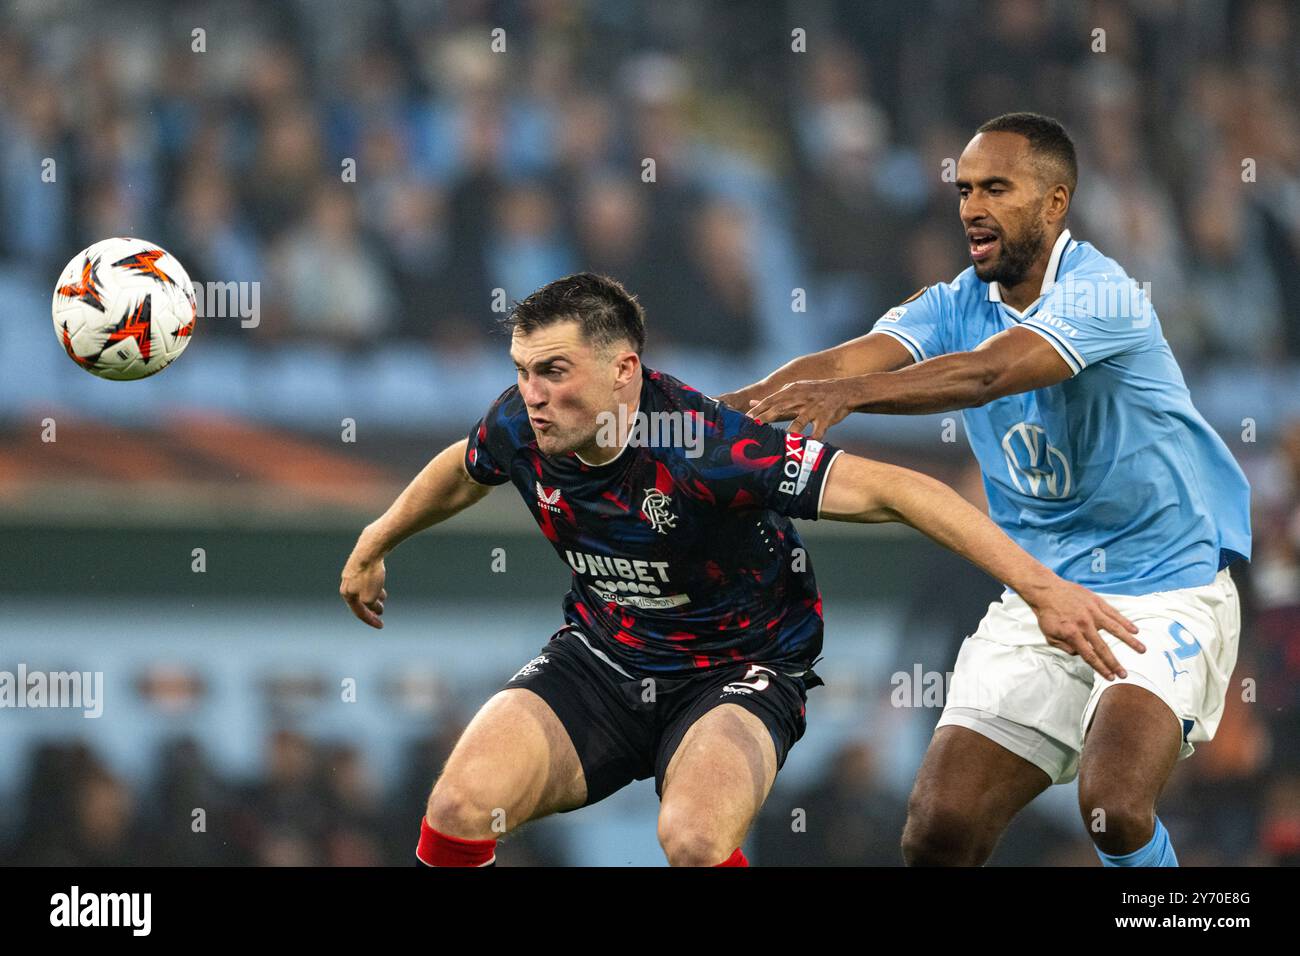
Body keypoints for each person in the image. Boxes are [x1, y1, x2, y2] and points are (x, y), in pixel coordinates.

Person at [341, 271, 1137, 867]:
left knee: (690, 838)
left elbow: (900, 489)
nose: (531, 394)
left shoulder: (709, 447)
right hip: (602, 658)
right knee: (458, 804)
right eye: (521, 370)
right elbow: (463, 466)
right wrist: (378, 537)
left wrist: (1043, 590)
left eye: (553, 371)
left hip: (737, 671)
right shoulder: (522, 423)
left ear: (623, 372)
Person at [721, 112, 1252, 867]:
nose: (972, 205)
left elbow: (988, 373)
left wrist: (851, 398)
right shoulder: (952, 302)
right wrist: (703, 421)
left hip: (1163, 592)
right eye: (966, 188)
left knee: (1113, 808)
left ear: (1054, 201)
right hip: (1040, 594)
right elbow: (833, 364)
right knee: (939, 829)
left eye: (997, 188)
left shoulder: (1103, 294)